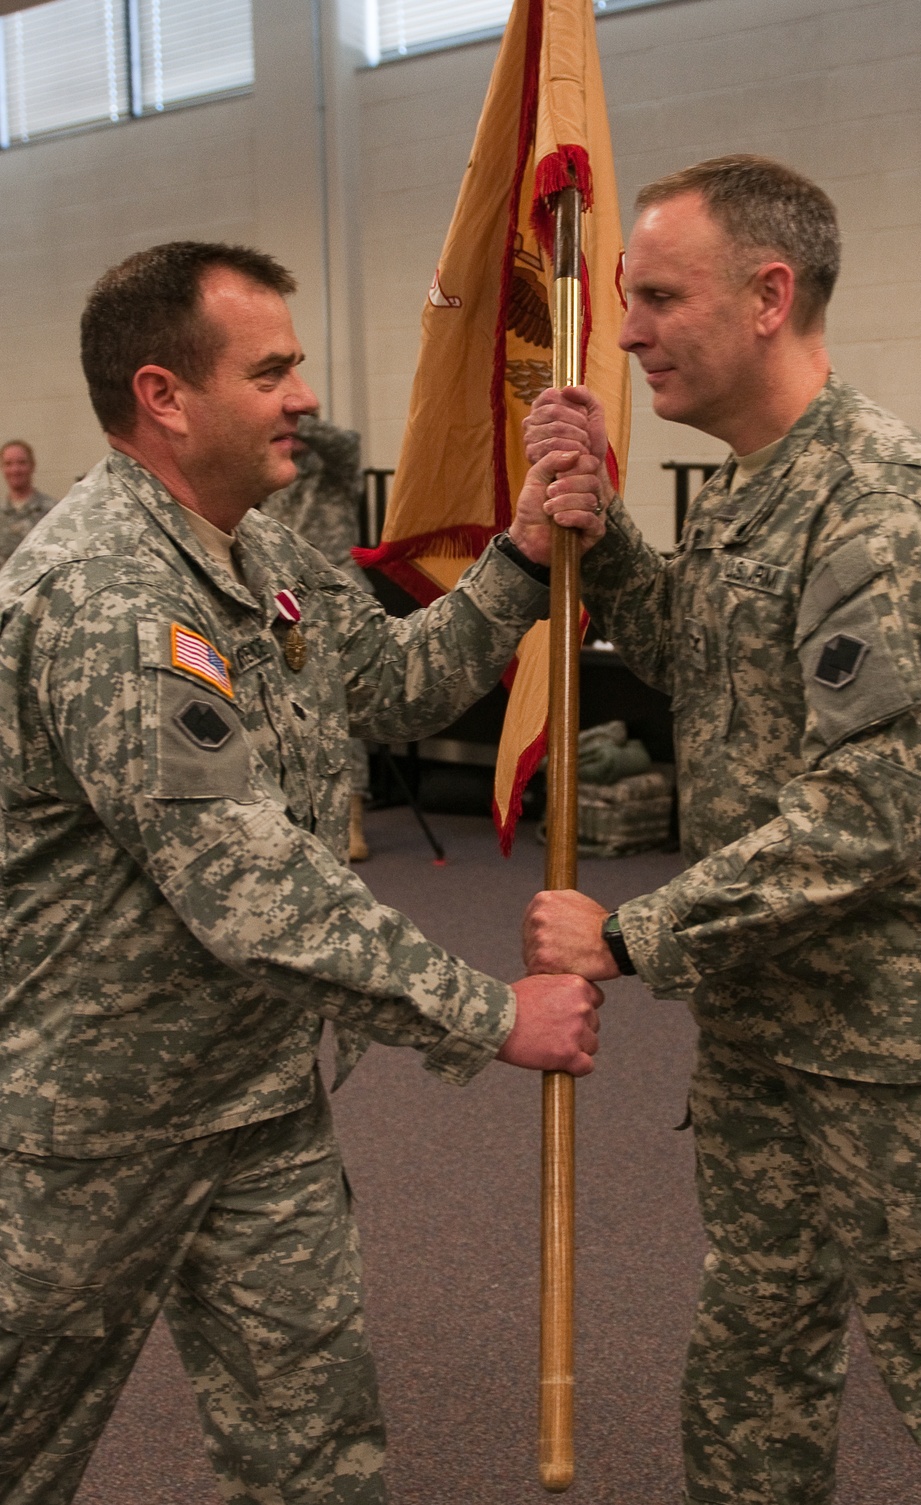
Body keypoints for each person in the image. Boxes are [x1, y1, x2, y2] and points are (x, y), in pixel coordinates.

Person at [0, 240, 604, 1505]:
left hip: (257, 1103)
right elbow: (249, 884)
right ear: (164, 395)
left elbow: (391, 682)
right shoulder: (109, 591)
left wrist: (520, 556)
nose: (303, 396)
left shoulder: (255, 553)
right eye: (271, 370)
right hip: (94, 1125)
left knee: (315, 1455)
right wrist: (492, 1013)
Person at [519, 155, 921, 1505]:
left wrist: (627, 931)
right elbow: (696, 651)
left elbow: (869, 816)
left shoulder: (879, 508)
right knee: (755, 1359)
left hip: (903, 1051)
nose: (623, 333)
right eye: (621, 299)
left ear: (770, 296)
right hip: (769, 1030)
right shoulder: (746, 482)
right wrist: (601, 528)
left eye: (661, 297)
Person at [261, 415, 374, 861]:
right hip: (281, 598)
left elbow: (346, 441)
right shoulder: (269, 474)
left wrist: (292, 420)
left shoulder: (332, 469)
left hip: (333, 593)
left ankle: (351, 818)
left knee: (343, 705)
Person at [0, 439, 55, 567]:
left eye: (21, 463)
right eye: (8, 464)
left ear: (32, 466)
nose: (15, 470)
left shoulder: (52, 511)